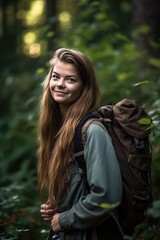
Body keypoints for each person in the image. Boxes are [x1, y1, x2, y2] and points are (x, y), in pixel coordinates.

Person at [37, 48, 123, 240]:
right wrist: (57, 207)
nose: (60, 84)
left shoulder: (92, 131)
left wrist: (65, 219)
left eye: (70, 79)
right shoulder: (58, 129)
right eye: (56, 77)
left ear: (84, 86)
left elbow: (107, 196)